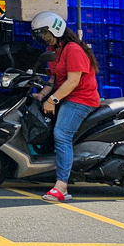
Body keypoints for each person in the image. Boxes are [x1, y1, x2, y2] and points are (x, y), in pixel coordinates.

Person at [31, 11, 101, 202]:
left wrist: (51, 100)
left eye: (45, 33)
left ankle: (62, 186)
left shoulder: (73, 49)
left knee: (61, 134)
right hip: (65, 96)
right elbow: (54, 79)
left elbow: (72, 82)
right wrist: (42, 95)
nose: (43, 38)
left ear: (56, 30)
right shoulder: (55, 50)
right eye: (40, 35)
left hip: (80, 99)